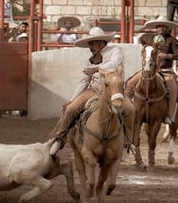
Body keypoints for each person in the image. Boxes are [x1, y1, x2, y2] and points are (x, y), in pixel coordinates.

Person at [50, 27, 136, 155]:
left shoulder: (115, 51)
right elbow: (84, 81)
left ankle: (126, 143)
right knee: (70, 109)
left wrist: (96, 69)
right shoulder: (91, 59)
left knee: (130, 110)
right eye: (90, 44)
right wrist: (73, 99)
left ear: (100, 42)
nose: (90, 46)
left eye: (92, 43)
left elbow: (114, 63)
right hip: (95, 90)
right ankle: (59, 137)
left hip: (115, 90)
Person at [126, 16, 178, 125]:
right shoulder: (151, 39)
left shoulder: (172, 40)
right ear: (157, 28)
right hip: (149, 70)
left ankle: (168, 115)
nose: (161, 28)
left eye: (163, 26)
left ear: (167, 28)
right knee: (130, 83)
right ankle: (127, 110)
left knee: (173, 88)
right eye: (159, 26)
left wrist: (166, 55)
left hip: (166, 71)